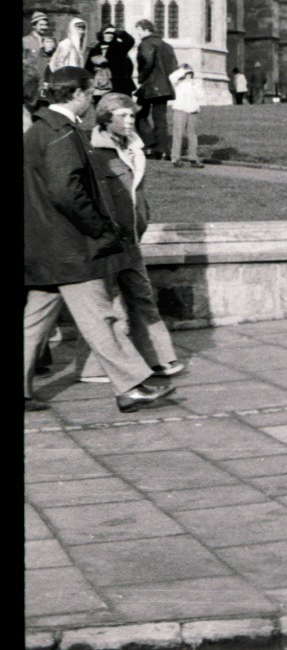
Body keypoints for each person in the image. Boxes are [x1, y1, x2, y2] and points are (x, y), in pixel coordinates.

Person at [24, 66, 175, 413]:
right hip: (72, 247)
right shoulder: (61, 133)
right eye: (90, 93)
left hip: (45, 246)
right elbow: (67, 191)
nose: (92, 100)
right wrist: (99, 229)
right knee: (100, 317)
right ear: (77, 94)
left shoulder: (40, 130)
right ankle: (131, 385)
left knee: (33, 322)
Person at [82, 94, 188, 383]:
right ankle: (98, 368)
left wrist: (143, 217)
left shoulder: (132, 148)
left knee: (141, 296)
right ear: (106, 118)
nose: (130, 121)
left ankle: (159, 359)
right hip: (108, 241)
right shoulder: (94, 152)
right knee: (111, 305)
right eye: (123, 116)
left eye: (132, 116)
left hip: (130, 238)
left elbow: (136, 194)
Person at [133, 18, 177, 159]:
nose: (138, 34)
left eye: (139, 30)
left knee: (139, 115)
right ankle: (162, 150)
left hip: (150, 85)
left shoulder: (146, 43)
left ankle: (150, 144)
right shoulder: (167, 46)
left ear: (146, 30)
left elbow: (148, 62)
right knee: (160, 119)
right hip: (165, 87)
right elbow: (173, 67)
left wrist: (141, 77)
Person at [168, 63, 204, 168]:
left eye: (190, 73)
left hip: (192, 111)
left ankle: (193, 157)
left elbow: (201, 96)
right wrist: (183, 70)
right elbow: (171, 77)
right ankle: (175, 158)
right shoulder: (178, 83)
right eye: (186, 73)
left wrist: (195, 85)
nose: (188, 76)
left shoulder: (195, 84)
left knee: (193, 135)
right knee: (178, 134)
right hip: (180, 109)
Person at [85, 24, 136, 96]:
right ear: (102, 34)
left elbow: (130, 41)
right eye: (107, 33)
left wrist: (120, 32)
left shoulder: (120, 47)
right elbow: (88, 67)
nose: (110, 35)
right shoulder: (95, 49)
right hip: (101, 85)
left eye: (112, 33)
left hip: (118, 84)